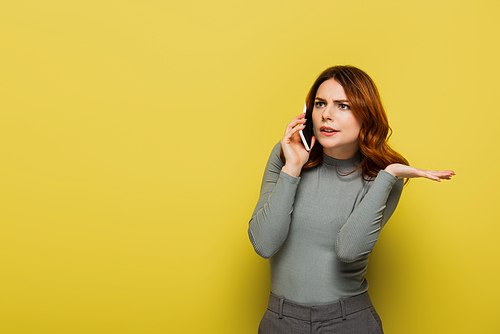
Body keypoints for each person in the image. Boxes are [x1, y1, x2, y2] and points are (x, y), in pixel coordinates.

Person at [248, 65, 454, 334]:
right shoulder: (286, 155)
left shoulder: (382, 179)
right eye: (320, 104)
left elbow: (348, 250)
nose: (326, 115)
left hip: (347, 322)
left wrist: (388, 175)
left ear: (365, 115)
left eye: (342, 106)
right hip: (281, 320)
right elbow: (264, 244)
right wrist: (292, 169)